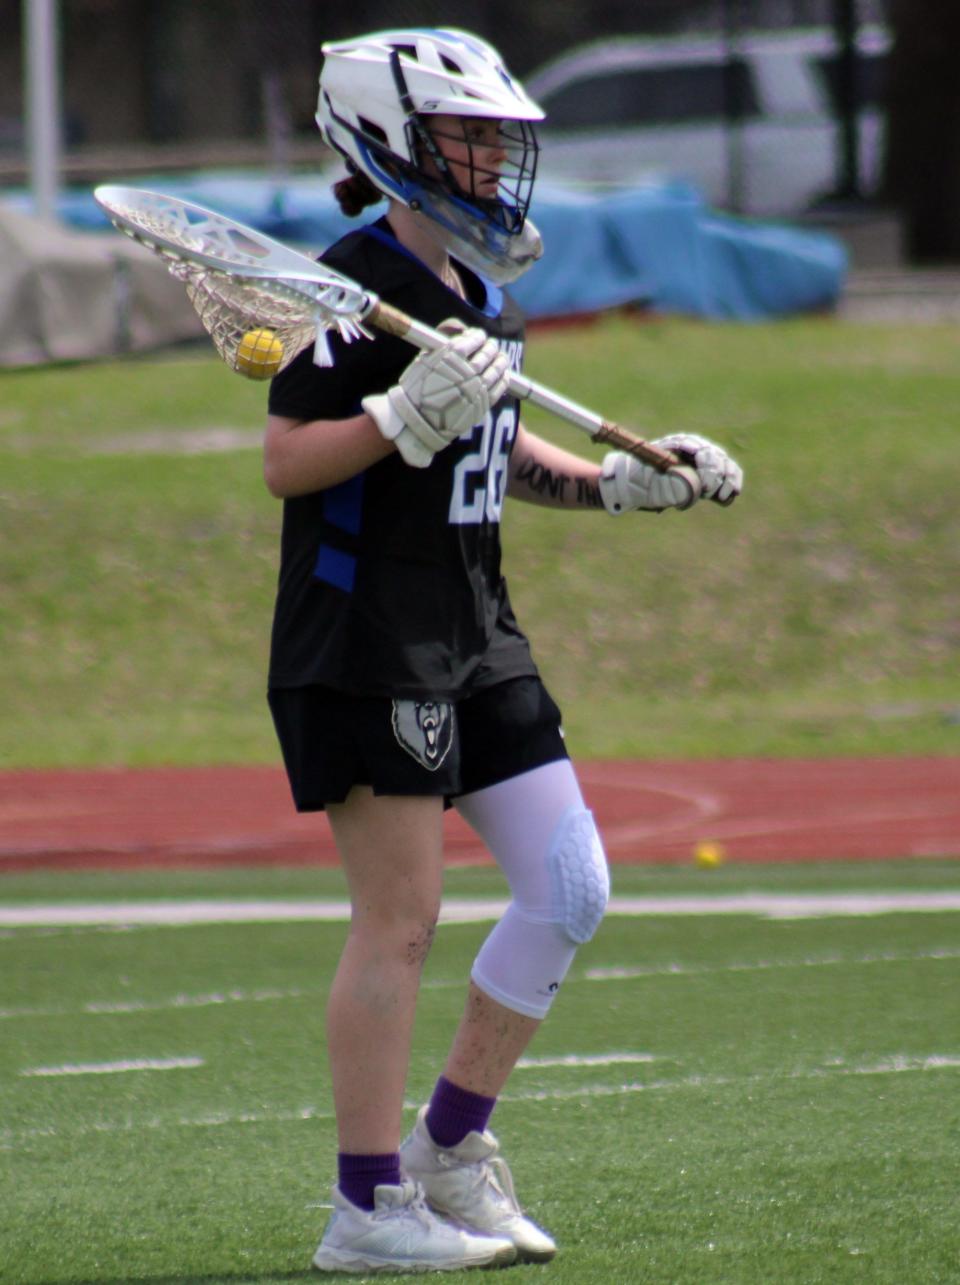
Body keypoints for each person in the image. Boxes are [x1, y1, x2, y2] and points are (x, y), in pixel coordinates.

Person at [263, 27, 743, 1276]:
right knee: (402, 918)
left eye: (496, 142)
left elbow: (495, 457)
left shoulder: (476, 289)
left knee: (572, 885)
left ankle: (446, 1151)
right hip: (366, 629)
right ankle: (364, 1209)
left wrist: (622, 489)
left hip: (475, 627)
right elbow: (292, 461)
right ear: (390, 142)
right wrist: (390, 415)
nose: (491, 163)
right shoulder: (351, 284)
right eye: (468, 139)